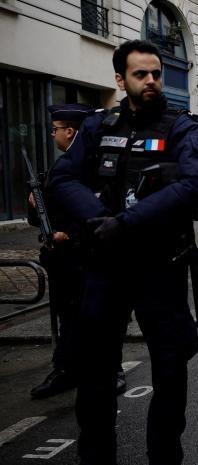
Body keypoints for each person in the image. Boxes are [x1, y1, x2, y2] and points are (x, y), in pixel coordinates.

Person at [48, 39, 198, 465]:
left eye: (156, 72)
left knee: (171, 371)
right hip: (104, 268)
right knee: (96, 375)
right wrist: (101, 220)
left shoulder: (181, 128)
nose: (152, 81)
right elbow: (62, 180)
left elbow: (194, 185)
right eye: (141, 74)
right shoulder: (98, 127)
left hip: (160, 267)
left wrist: (125, 224)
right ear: (120, 79)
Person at [28, 104, 128, 400]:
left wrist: (69, 235)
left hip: (90, 257)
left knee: (104, 318)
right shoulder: (59, 168)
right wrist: (36, 208)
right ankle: (65, 369)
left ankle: (114, 369)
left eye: (55, 129)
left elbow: (108, 214)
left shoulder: (100, 168)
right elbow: (43, 216)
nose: (54, 135)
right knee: (67, 316)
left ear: (70, 131)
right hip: (62, 261)